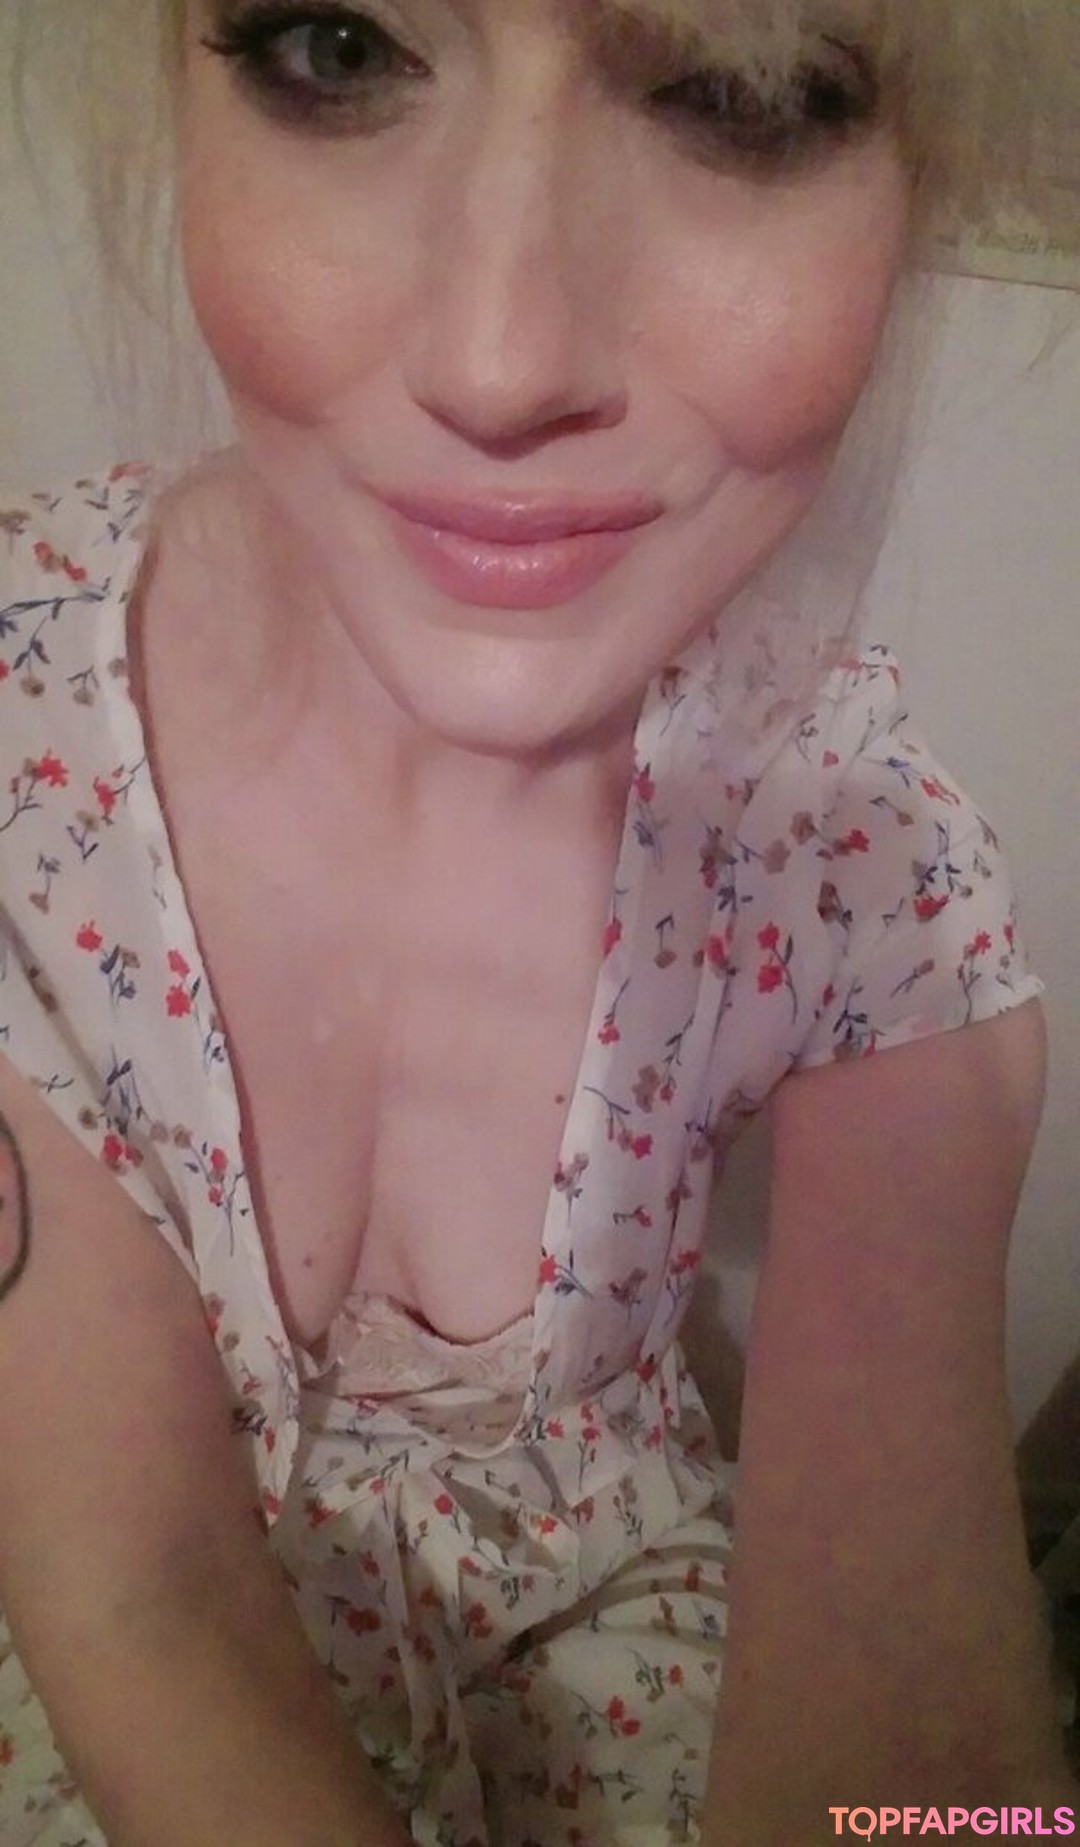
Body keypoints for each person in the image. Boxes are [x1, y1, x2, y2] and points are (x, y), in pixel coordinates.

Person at [0, 3, 1076, 1843]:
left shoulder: (860, 858)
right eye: (337, 49)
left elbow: (936, 1783)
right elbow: (130, 1586)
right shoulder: (27, 730)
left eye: (740, 97)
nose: (501, 362)